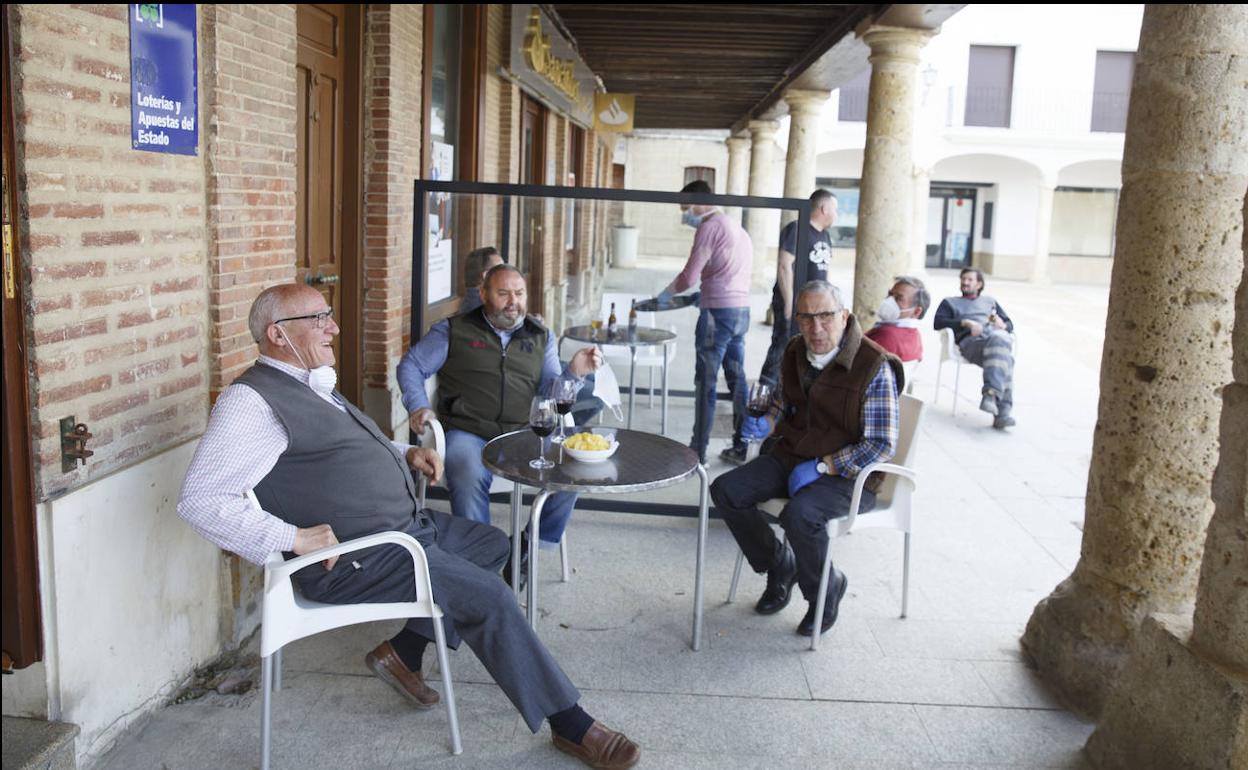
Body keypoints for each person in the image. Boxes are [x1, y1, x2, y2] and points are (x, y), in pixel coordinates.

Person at [177, 284, 639, 769]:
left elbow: (341, 454)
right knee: (489, 594)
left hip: (401, 532)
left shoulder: (309, 381)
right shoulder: (251, 403)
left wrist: (406, 453)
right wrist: (292, 538)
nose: (333, 327)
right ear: (277, 334)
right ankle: (571, 723)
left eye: (329, 316)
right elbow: (201, 500)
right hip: (356, 557)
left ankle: (404, 650)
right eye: (319, 319)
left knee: (490, 545)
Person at [710, 280, 901, 637]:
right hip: (793, 455)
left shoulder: (874, 365)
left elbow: (880, 444)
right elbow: (784, 404)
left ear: (844, 317)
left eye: (826, 316)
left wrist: (825, 465)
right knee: (726, 490)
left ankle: (824, 592)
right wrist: (766, 420)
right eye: (806, 317)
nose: (816, 328)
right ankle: (779, 564)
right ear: (797, 320)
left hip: (849, 473)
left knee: (800, 515)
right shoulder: (795, 351)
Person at [397, 264, 601, 586]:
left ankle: (527, 545)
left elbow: (551, 392)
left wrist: (574, 374)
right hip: (469, 431)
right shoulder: (454, 330)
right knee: (466, 468)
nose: (513, 302)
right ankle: (482, 565)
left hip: (525, 432)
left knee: (573, 469)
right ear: (483, 295)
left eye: (518, 294)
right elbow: (411, 365)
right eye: (503, 293)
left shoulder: (540, 336)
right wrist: (418, 405)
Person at [657, 179, 753, 465]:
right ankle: (742, 444)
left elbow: (689, 276)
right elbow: (730, 270)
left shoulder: (709, 227)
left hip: (716, 315)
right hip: (741, 312)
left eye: (685, 207)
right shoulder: (735, 226)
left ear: (699, 201)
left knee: (707, 384)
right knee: (737, 380)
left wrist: (665, 295)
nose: (684, 213)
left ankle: (697, 451)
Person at [755, 190, 838, 392]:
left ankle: (794, 392)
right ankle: (763, 395)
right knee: (782, 345)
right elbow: (784, 265)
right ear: (824, 208)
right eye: (835, 209)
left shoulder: (825, 235)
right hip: (795, 303)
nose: (837, 214)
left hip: (816, 305)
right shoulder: (797, 229)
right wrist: (790, 303)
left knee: (808, 348)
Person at [932, 268, 1016, 429]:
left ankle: (992, 397)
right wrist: (964, 323)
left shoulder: (990, 302)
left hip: (993, 342)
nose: (965, 282)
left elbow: (1009, 325)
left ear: (979, 284)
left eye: (970, 280)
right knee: (1005, 357)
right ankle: (1001, 411)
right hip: (970, 344)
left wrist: (1002, 325)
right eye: (963, 279)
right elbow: (938, 323)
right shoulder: (950, 302)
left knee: (1003, 349)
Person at [864, 275, 930, 362]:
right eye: (890, 294)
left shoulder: (887, 336)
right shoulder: (915, 334)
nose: (889, 300)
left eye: (899, 298)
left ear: (916, 312)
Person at [461, 245, 504, 312]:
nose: (505, 274)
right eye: (500, 269)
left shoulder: (473, 301)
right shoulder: (485, 308)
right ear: (486, 275)